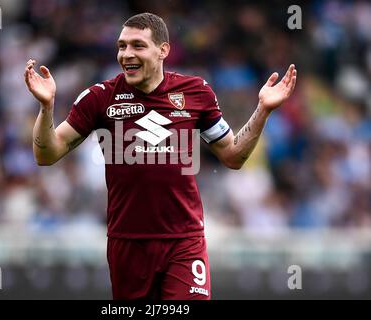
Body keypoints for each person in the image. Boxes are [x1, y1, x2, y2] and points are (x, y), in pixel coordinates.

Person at [24, 12, 297, 300]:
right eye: (122, 46)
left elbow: (233, 156)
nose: (127, 54)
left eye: (138, 45)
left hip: (184, 241)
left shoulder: (196, 93)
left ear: (163, 50)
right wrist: (46, 108)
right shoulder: (99, 98)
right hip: (127, 244)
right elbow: (47, 154)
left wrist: (263, 110)